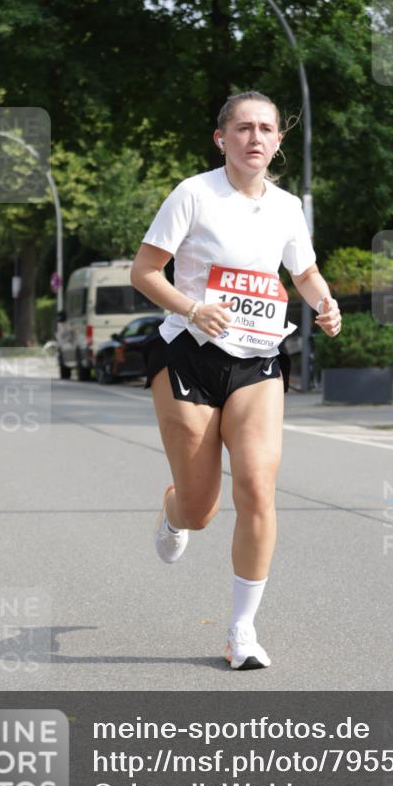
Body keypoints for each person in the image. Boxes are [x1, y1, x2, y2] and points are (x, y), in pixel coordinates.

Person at [130, 91, 341, 670]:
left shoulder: (287, 206)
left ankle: (241, 632)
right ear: (221, 138)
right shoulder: (194, 194)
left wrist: (325, 303)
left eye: (265, 129)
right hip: (189, 355)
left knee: (256, 487)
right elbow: (145, 271)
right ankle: (174, 510)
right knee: (201, 509)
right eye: (243, 128)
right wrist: (193, 308)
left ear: (278, 141)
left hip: (257, 361)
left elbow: (304, 271)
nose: (255, 138)